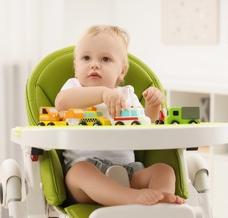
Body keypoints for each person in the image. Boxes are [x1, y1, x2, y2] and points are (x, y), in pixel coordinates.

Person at [55, 25, 184, 206]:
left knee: (164, 170)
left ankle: (160, 200)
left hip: (129, 173)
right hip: (87, 178)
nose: (94, 64)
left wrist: (153, 106)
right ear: (76, 68)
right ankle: (130, 198)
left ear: (121, 71)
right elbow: (61, 103)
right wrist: (102, 94)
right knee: (79, 172)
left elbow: (146, 127)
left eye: (105, 59)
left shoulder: (127, 94)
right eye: (86, 58)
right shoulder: (74, 87)